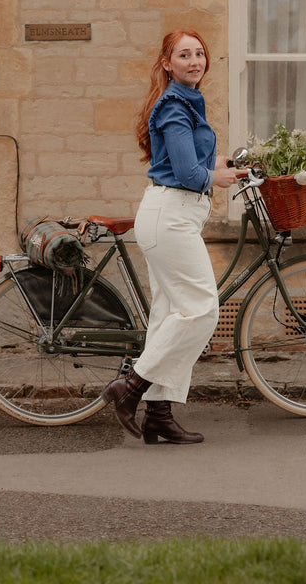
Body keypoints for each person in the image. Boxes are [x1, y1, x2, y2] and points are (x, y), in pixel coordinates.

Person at [103, 29, 247, 444]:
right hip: (172, 217)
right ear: (167, 63)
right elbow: (188, 174)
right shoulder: (173, 106)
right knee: (202, 310)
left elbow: (190, 159)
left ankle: (159, 416)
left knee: (170, 317)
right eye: (184, 55)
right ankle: (131, 385)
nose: (195, 61)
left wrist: (231, 162)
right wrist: (216, 177)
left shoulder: (186, 102)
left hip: (172, 215)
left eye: (200, 53)